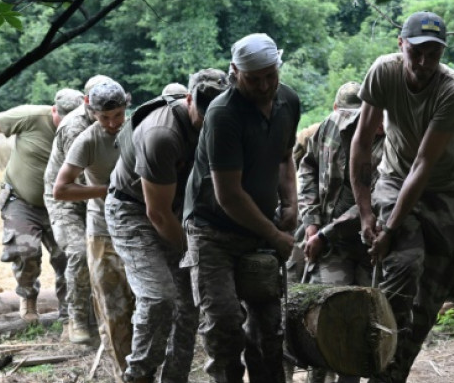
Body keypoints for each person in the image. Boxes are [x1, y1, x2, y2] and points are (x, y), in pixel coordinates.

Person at [350, 11, 454, 383]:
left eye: (433, 55)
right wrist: (366, 213)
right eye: (416, 52)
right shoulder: (383, 72)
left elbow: (423, 164)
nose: (423, 63)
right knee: (403, 266)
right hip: (394, 178)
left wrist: (388, 228)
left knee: (433, 293)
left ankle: (393, 371)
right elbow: (362, 141)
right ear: (401, 45)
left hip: (444, 190)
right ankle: (374, 356)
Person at [183, 33, 300, 383]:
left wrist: (291, 200)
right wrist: (276, 236)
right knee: (224, 327)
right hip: (213, 232)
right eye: (253, 78)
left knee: (269, 332)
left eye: (270, 76)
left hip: (261, 226)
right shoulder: (223, 114)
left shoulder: (288, 101)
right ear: (235, 72)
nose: (264, 85)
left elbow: (284, 156)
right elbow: (229, 195)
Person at [106, 69, 228, 383]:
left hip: (176, 210)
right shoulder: (162, 134)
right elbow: (157, 213)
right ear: (189, 101)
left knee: (188, 303)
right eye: (204, 115)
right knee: (158, 296)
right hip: (132, 211)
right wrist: (194, 252)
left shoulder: (224, 121)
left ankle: (175, 378)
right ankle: (140, 375)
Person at [296, 81, 385, 383]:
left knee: (359, 326)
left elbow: (372, 201)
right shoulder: (329, 127)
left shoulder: (390, 144)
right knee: (324, 319)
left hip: (368, 247)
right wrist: (311, 222)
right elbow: (307, 168)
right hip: (330, 245)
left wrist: (324, 235)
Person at [0, 88, 84, 323]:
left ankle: (69, 314)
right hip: (21, 200)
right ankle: (28, 296)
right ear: (54, 110)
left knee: (67, 256)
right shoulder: (31, 116)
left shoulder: (83, 128)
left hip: (62, 205)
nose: (66, 124)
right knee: (25, 251)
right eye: (62, 119)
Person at [53, 80, 135, 380]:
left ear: (126, 107)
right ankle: (122, 375)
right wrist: (108, 189)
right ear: (92, 112)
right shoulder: (86, 140)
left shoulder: (138, 130)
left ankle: (147, 370)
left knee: (146, 308)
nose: (113, 123)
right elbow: (61, 189)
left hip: (140, 231)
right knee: (113, 312)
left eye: (118, 115)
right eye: (105, 118)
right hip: (102, 233)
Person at [43, 74, 112, 344]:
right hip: (66, 198)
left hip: (96, 194)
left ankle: (107, 316)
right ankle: (77, 319)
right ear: (87, 103)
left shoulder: (112, 118)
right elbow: (82, 179)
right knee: (80, 254)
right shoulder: (75, 128)